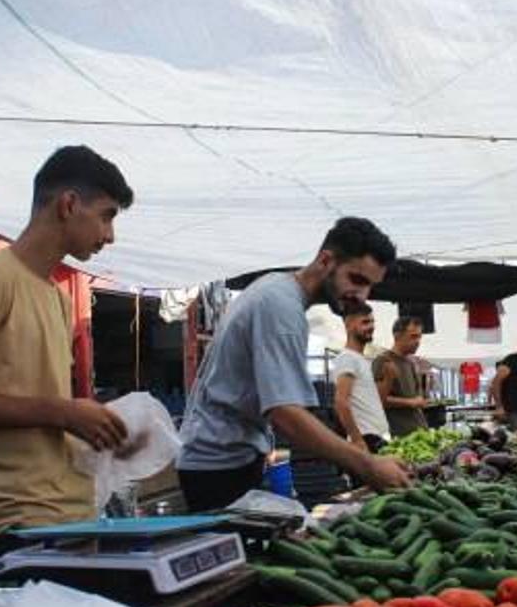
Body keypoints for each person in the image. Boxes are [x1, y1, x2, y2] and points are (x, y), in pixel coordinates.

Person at [0, 146, 134, 557]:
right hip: (20, 528)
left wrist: (91, 424)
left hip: (74, 518)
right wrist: (64, 412)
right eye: (106, 216)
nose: (110, 236)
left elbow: (41, 404)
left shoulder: (57, 299)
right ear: (68, 205)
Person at [177, 218, 411, 511]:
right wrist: (367, 465)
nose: (362, 296)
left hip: (224, 459)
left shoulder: (277, 289)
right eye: (357, 279)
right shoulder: (281, 308)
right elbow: (285, 413)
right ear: (325, 261)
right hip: (218, 468)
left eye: (370, 287)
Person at [333, 302, 391, 453]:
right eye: (365, 322)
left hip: (376, 438)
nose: (371, 326)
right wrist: (357, 440)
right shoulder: (347, 358)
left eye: (372, 322)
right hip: (367, 439)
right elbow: (341, 402)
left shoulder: (360, 359)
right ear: (348, 325)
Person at [373, 317, 430, 437]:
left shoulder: (411, 363)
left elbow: (418, 399)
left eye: (419, 337)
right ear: (397, 336)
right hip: (400, 436)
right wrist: (410, 402)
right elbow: (377, 400)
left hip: (419, 432)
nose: (418, 341)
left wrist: (426, 384)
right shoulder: (384, 361)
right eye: (413, 336)